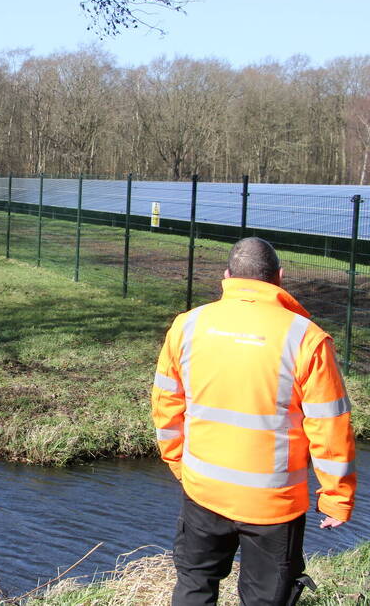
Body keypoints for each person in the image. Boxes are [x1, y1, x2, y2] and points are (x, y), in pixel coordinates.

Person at [152, 237, 357, 606]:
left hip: (204, 491)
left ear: (226, 277)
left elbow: (166, 407)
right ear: (279, 277)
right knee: (266, 598)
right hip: (273, 504)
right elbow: (330, 428)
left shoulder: (187, 326)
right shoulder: (306, 339)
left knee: (195, 585)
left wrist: (179, 463)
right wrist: (336, 497)